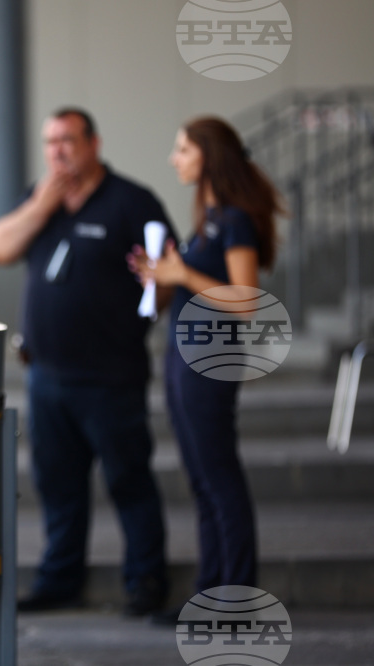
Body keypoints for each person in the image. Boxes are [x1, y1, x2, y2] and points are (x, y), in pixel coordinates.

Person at [0, 108, 172, 616]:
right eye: (50, 142)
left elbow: (167, 276)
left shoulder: (132, 201)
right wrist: (41, 205)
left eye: (67, 140)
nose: (58, 151)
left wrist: (164, 279)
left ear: (94, 143)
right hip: (47, 374)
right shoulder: (40, 198)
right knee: (57, 484)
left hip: (111, 375)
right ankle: (59, 579)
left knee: (128, 479)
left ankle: (146, 580)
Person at [128, 117, 283, 618]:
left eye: (182, 150)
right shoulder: (209, 219)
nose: (175, 159)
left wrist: (182, 272)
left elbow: (243, 301)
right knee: (200, 478)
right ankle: (210, 589)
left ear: (208, 156)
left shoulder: (234, 220)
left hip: (209, 360)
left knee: (219, 478)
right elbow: (200, 287)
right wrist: (163, 277)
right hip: (182, 355)